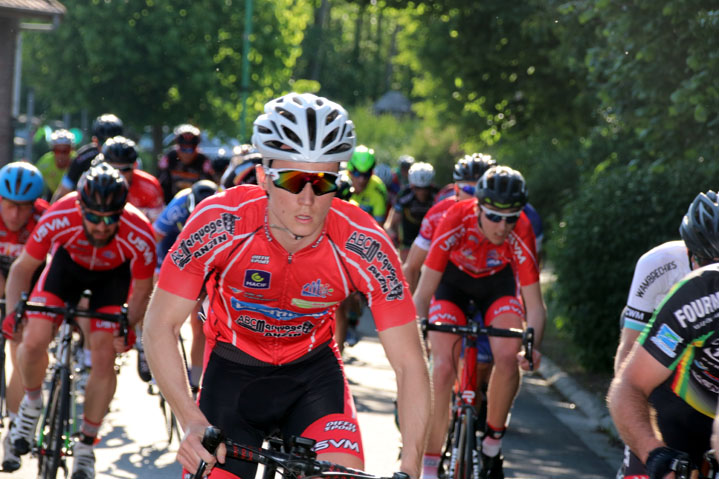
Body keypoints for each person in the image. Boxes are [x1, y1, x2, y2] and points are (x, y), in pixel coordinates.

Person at [143, 92, 430, 479]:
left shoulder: (364, 242)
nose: (308, 200)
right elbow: (160, 324)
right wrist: (190, 420)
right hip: (233, 372)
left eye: (324, 182)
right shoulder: (221, 222)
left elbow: (411, 363)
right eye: (293, 180)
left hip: (312, 377)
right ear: (263, 176)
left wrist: (411, 466)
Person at [3, 163, 156, 479]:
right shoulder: (61, 215)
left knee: (103, 355)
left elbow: (142, 290)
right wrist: (13, 314)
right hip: (65, 271)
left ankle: (85, 446)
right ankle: (31, 405)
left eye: (110, 219)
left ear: (123, 211)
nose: (101, 227)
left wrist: (128, 327)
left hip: (110, 282)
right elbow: (22, 268)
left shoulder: (139, 232)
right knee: (32, 340)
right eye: (93, 218)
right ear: (79, 206)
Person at [414, 165, 545, 479]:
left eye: (511, 217)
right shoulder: (455, 219)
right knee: (443, 367)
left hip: (495, 286)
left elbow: (535, 306)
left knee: (508, 354)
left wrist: (531, 347)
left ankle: (491, 444)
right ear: (478, 208)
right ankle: (430, 465)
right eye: (494, 217)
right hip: (452, 285)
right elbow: (422, 295)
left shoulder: (522, 229)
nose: (503, 227)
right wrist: (418, 339)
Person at [610, 190, 719, 479]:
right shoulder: (659, 265)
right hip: (676, 387)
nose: (713, 275)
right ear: (688, 253)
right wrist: (640, 439)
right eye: (705, 261)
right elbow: (629, 357)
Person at [0, 162, 47, 472]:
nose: (15, 215)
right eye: (9, 206)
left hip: (29, 287)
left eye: (23, 208)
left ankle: (14, 431)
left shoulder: (45, 218)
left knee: (20, 351)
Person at [148, 180, 219, 386]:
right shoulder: (178, 206)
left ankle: (196, 380)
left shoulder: (222, 207)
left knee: (200, 321)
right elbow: (154, 237)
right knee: (165, 316)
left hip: (203, 255)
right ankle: (158, 366)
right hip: (171, 249)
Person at [402, 153, 496, 293]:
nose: (477, 197)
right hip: (450, 284)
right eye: (469, 190)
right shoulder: (438, 214)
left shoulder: (509, 215)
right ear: (456, 190)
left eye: (484, 190)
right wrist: (411, 312)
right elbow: (411, 267)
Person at [52, 113, 123, 203]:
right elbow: (62, 193)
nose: (107, 147)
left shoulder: (129, 157)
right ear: (95, 141)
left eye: (112, 142)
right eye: (103, 142)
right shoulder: (82, 158)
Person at [99, 136, 165, 222]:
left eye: (125, 169)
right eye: (113, 169)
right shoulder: (91, 185)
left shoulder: (150, 186)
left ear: (135, 165)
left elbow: (157, 228)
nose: (119, 174)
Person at [384, 162, 437, 262]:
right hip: (408, 244)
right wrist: (393, 237)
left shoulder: (437, 196)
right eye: (417, 188)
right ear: (412, 186)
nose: (422, 192)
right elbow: (390, 224)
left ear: (431, 186)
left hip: (431, 243)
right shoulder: (404, 196)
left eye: (426, 188)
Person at [157, 123, 212, 204]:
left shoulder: (203, 161)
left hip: (197, 205)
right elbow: (160, 185)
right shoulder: (169, 158)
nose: (187, 154)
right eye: (183, 149)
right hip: (171, 204)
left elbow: (209, 189)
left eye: (191, 149)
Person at [347, 145, 388, 224]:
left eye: (366, 174)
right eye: (357, 173)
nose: (361, 180)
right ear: (349, 171)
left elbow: (378, 227)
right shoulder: (338, 183)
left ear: (372, 172)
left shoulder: (379, 189)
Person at [36, 129, 76, 199]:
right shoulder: (45, 162)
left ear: (71, 150)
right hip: (52, 194)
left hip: (72, 195)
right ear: (53, 150)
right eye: (57, 151)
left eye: (65, 151)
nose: (61, 155)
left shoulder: (77, 160)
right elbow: (35, 179)